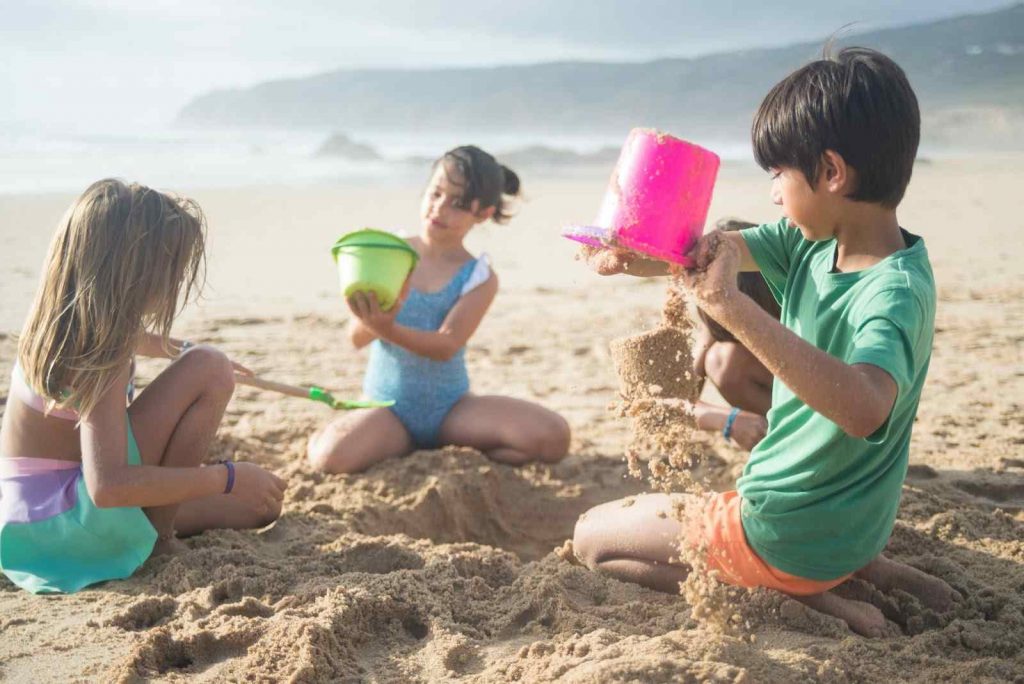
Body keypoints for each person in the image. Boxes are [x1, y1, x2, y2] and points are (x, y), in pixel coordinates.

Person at [573, 47, 959, 637]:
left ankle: (811, 600)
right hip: (852, 526)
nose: (774, 194)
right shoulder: (821, 244)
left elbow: (863, 406)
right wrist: (634, 256)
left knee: (595, 540)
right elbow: (706, 252)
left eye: (779, 175)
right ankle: (862, 567)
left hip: (784, 530)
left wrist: (733, 307)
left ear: (831, 172)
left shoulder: (892, 295)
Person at [0, 179, 286, 594]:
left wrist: (177, 349)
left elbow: (134, 336)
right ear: (135, 277)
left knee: (260, 509)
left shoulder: (64, 320)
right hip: (71, 525)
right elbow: (108, 486)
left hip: (30, 525)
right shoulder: (102, 356)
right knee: (210, 367)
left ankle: (156, 524)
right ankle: (160, 538)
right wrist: (226, 477)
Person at [308, 146, 570, 473]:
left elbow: (447, 345)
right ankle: (387, 439)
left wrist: (388, 328)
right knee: (328, 459)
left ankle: (433, 450)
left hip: (452, 411)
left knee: (553, 437)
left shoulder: (479, 276)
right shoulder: (392, 256)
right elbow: (355, 338)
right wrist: (370, 319)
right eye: (435, 193)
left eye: (458, 203)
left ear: (484, 213)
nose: (439, 208)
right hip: (388, 409)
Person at [691, 219, 778, 451]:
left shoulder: (793, 299)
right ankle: (775, 435)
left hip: (822, 403)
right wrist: (729, 420)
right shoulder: (720, 310)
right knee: (723, 360)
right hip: (773, 405)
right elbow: (672, 402)